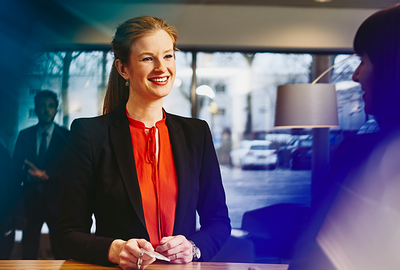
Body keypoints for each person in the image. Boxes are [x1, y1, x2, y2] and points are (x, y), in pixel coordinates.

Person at [58, 16, 231, 269]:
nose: (162, 67)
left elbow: (218, 222)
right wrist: (114, 250)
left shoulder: (197, 134)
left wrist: (193, 247)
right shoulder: (89, 134)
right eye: (148, 58)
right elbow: (67, 234)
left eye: (168, 56)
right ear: (123, 68)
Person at [288, 3, 400, 269]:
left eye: (363, 60)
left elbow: (313, 259)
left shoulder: (368, 153)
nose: (355, 74)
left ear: (391, 66)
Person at [13, 90, 69, 259]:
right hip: (31, 203)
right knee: (28, 253)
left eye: (51, 106)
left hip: (58, 204)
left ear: (56, 110)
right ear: (36, 109)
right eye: (42, 106)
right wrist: (29, 176)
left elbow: (72, 170)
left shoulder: (66, 137)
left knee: (62, 254)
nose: (46, 110)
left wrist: (47, 175)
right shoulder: (24, 136)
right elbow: (14, 170)